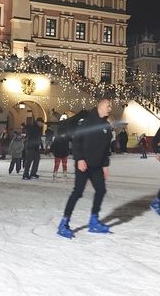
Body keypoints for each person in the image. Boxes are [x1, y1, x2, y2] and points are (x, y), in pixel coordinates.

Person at [57, 96, 113, 238]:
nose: (110, 108)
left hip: (97, 166)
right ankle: (64, 223)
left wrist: (105, 165)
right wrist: (80, 159)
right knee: (78, 192)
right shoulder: (86, 122)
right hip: (84, 164)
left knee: (101, 190)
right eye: (108, 106)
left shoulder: (106, 126)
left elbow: (106, 149)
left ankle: (94, 220)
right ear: (100, 106)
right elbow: (76, 141)